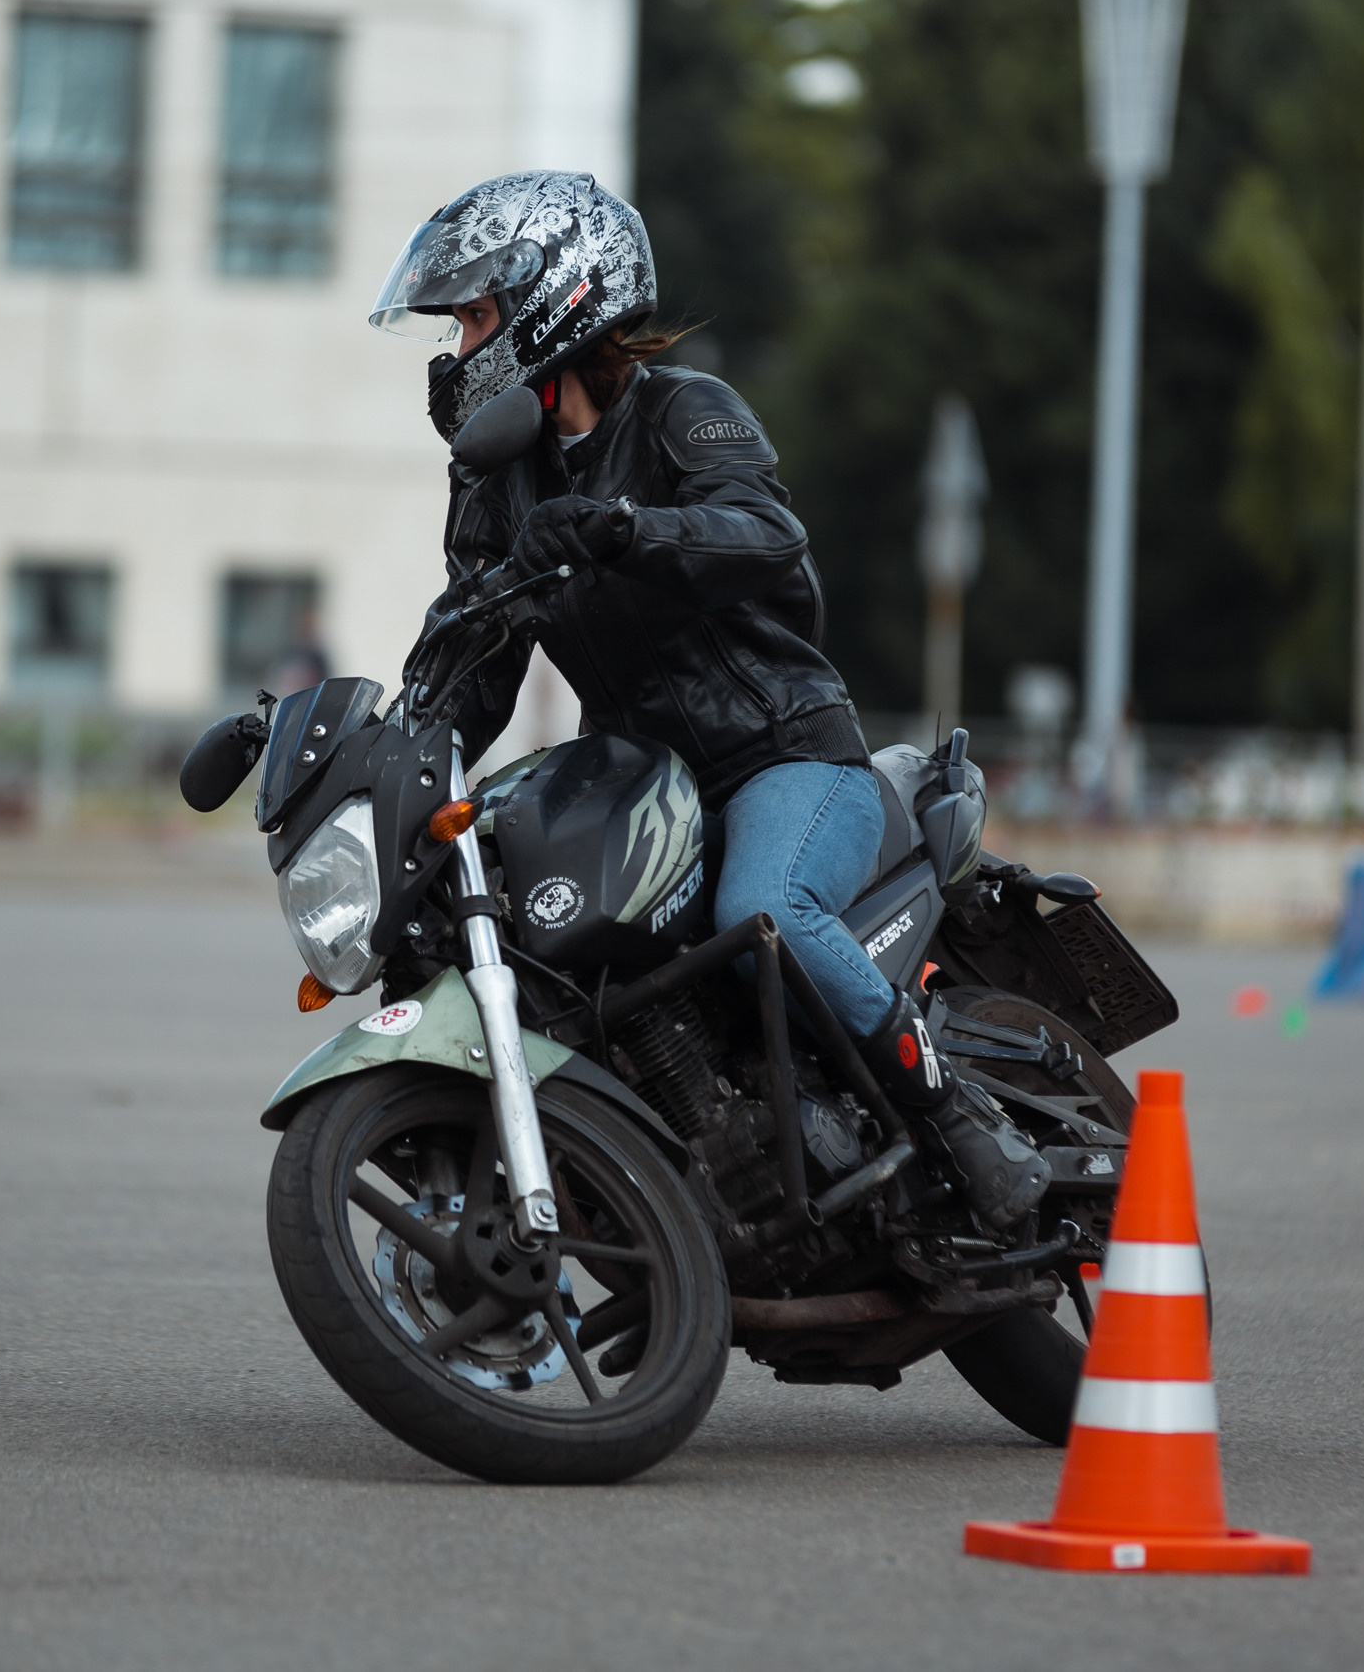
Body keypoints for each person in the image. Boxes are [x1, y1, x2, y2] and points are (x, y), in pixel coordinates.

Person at [370, 171, 1046, 1230]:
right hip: (651, 787)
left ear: (559, 296)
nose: (456, 351)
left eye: (474, 317)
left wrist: (624, 530)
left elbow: (765, 535)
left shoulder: (686, 409)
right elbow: (476, 649)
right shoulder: (497, 486)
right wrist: (397, 750)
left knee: (765, 915)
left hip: (783, 757)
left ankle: (959, 1119)